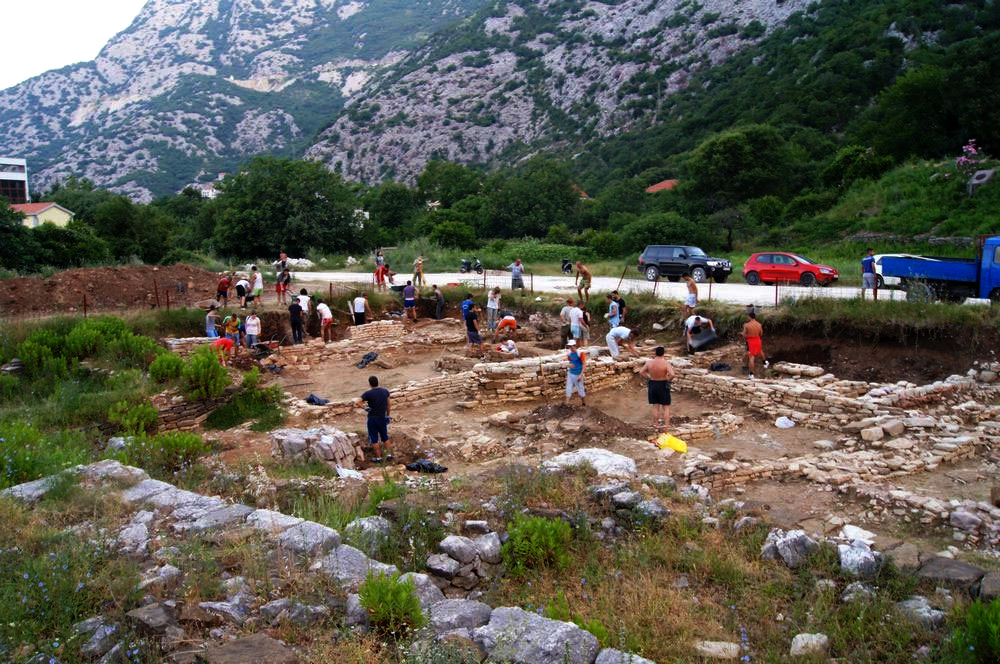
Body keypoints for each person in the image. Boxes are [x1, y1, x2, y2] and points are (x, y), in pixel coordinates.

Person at [355, 376, 393, 463]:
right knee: (385, 437)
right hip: (382, 417)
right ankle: (389, 456)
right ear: (377, 382)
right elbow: (389, 404)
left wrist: (364, 407)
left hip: (372, 418)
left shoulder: (368, 393)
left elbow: (357, 402)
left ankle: (379, 458)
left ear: (370, 384)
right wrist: (388, 415)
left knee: (374, 439)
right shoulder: (385, 391)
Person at [639, 346, 676, 432]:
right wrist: (668, 380)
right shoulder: (666, 363)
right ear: (664, 354)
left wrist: (648, 378)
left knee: (655, 406)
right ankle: (666, 426)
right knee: (666, 407)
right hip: (662, 384)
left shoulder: (649, 362)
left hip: (653, 383)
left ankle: (655, 425)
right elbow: (672, 374)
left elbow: (641, 372)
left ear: (655, 353)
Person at [741, 311, 765, 379]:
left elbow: (744, 335)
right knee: (760, 351)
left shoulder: (746, 325)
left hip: (750, 341)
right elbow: (761, 334)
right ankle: (765, 363)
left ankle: (751, 375)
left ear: (749, 317)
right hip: (758, 340)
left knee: (751, 357)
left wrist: (742, 334)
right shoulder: (759, 324)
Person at [565, 339, 586, 406]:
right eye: (569, 347)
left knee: (580, 390)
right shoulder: (569, 353)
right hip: (570, 373)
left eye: (571, 346)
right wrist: (569, 365)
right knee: (568, 388)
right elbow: (571, 362)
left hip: (578, 374)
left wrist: (581, 375)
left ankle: (584, 403)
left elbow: (584, 364)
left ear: (574, 346)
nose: (570, 348)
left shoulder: (580, 353)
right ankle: (566, 404)